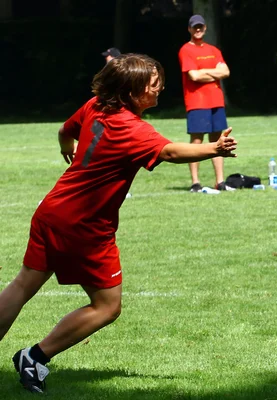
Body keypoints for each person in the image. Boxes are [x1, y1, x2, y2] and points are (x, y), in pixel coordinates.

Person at [0, 53, 237, 393]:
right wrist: (215, 148)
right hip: (85, 226)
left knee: (22, 285)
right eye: (154, 85)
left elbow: (65, 131)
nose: (160, 90)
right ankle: (35, 356)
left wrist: (66, 145)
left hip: (52, 210)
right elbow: (169, 152)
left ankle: (32, 357)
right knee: (107, 306)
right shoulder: (131, 128)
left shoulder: (96, 105)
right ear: (132, 91)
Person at [179, 14, 232, 193]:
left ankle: (220, 181)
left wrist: (203, 72)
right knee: (196, 141)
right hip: (196, 101)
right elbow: (193, 76)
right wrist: (213, 72)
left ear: (205, 28)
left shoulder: (214, 50)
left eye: (201, 26)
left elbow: (226, 72)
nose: (198, 29)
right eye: (195, 27)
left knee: (218, 140)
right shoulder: (186, 50)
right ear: (189, 29)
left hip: (216, 100)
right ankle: (195, 182)